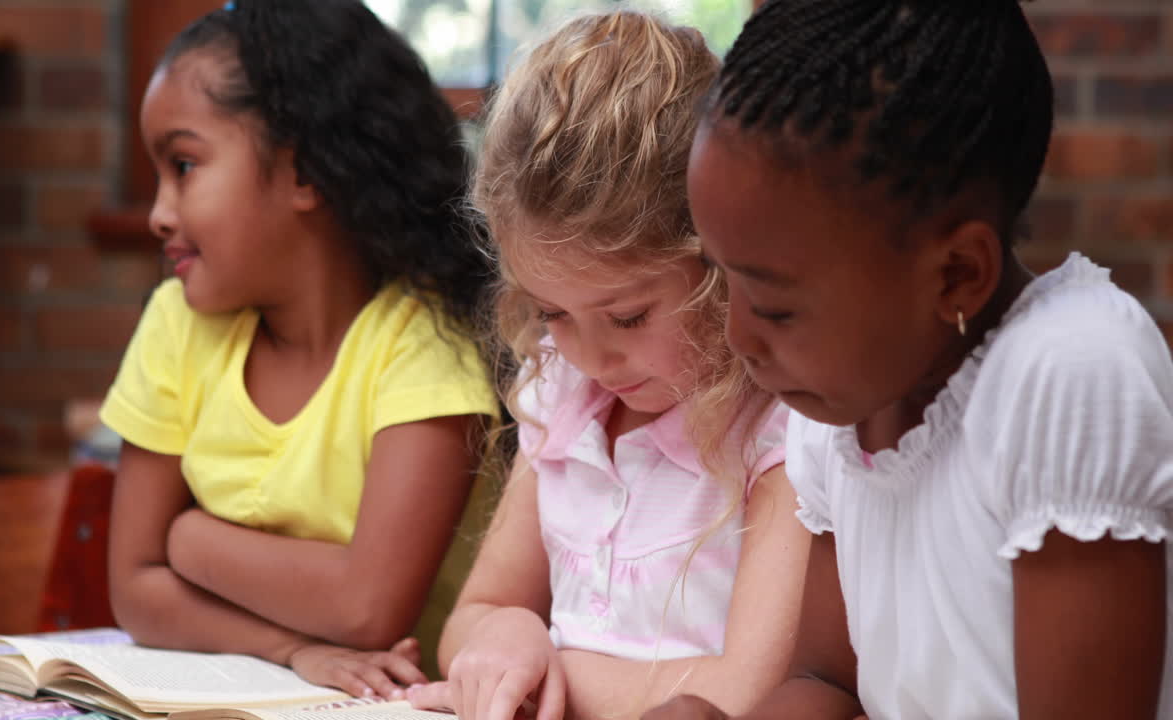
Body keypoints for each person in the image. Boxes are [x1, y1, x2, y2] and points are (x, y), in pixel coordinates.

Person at [647, 0, 1173, 718]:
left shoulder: (1067, 372)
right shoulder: (837, 410)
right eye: (722, 277)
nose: (738, 336)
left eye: (774, 306)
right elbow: (826, 684)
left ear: (956, 274)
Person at [406, 12, 810, 720]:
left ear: (719, 262)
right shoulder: (564, 393)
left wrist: (545, 674)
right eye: (551, 313)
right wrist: (504, 632)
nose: (591, 358)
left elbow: (747, 694)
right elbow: (478, 616)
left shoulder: (784, 430)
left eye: (627, 317)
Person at [100, 0, 498, 700]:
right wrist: (291, 648)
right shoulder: (176, 322)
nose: (160, 211)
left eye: (185, 165)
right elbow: (133, 588)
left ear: (305, 172)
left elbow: (367, 609)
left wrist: (189, 540)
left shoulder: (425, 341)